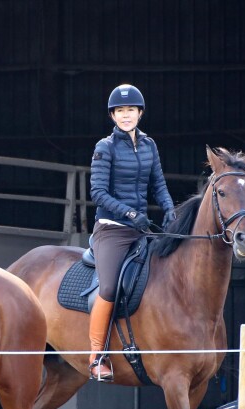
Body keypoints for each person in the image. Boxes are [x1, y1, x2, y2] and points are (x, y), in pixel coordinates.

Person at [88, 84, 176, 381]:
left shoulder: (150, 145)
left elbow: (158, 184)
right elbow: (98, 192)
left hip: (141, 229)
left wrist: (169, 208)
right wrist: (128, 214)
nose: (126, 115)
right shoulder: (105, 147)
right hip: (112, 230)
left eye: (131, 110)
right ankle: (97, 355)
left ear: (140, 113)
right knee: (110, 287)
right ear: (113, 115)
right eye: (120, 111)